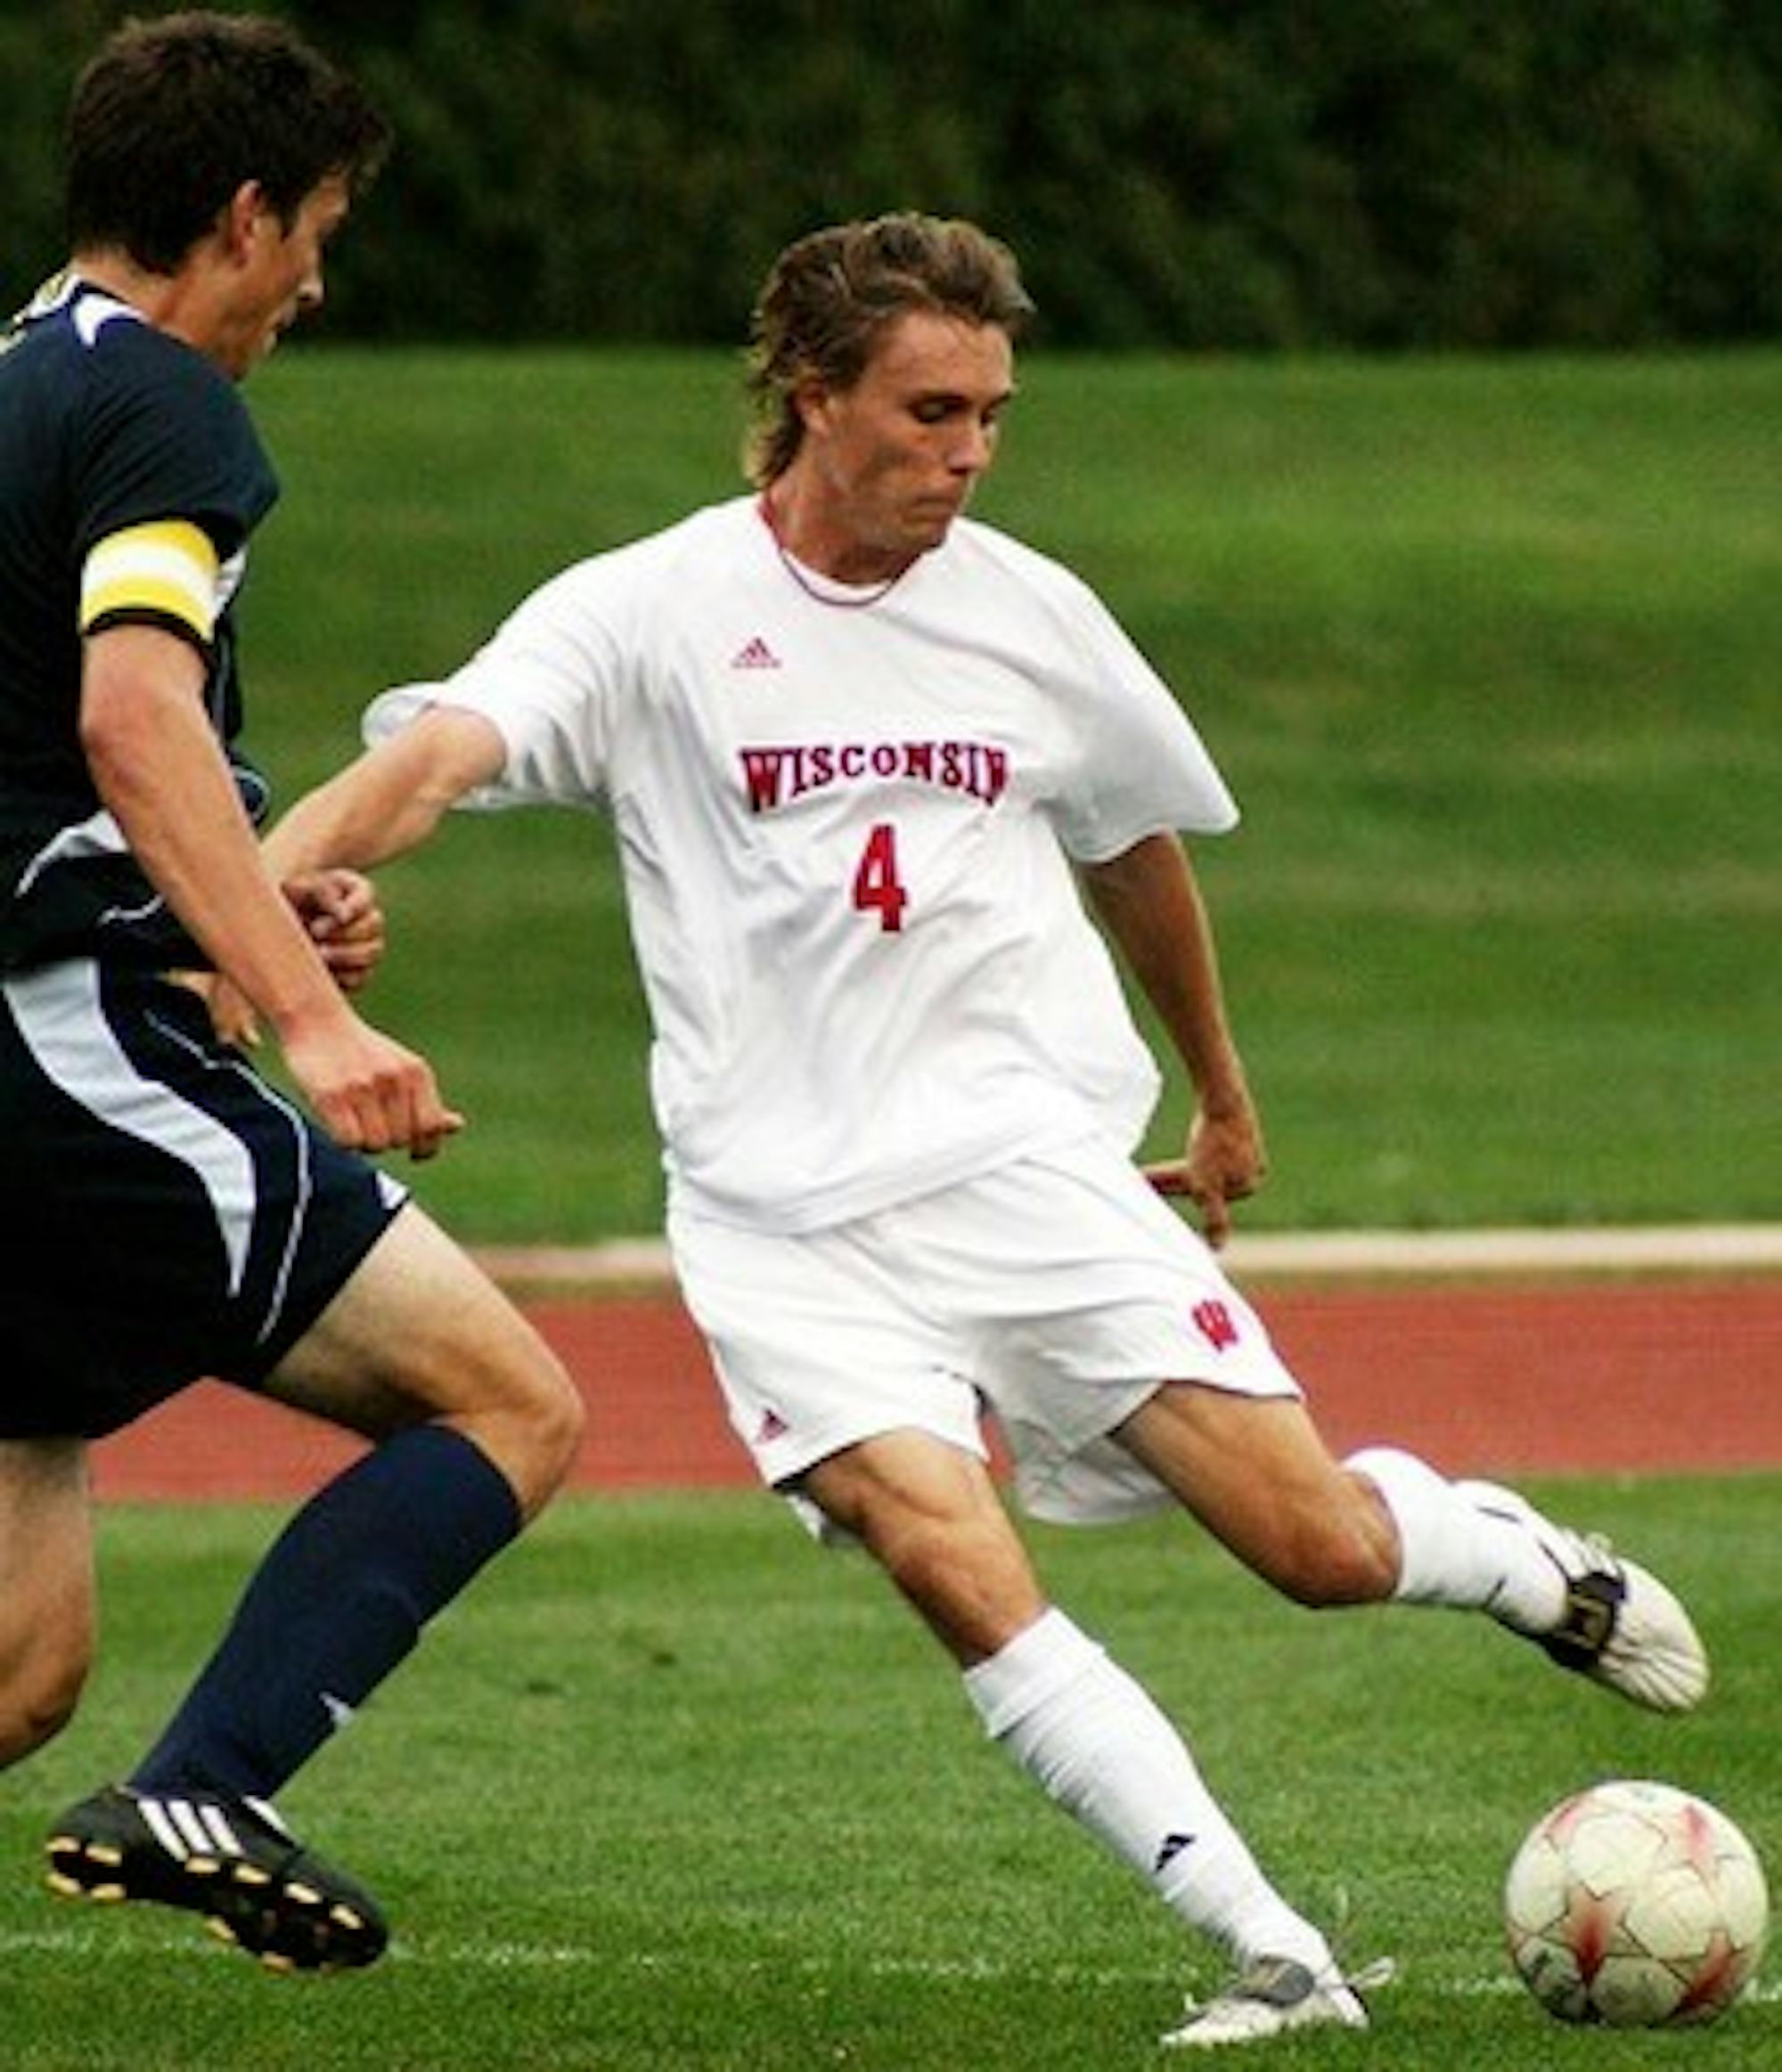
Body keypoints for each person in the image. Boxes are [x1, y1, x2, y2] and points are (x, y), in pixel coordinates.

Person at [258, 213, 1707, 2044]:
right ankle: (1275, 1950)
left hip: (1022, 1163)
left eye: (992, 414)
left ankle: (1503, 1553)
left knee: (1316, 1549)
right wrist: (253, 892)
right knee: (951, 1555)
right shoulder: (646, 610)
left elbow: (1131, 848)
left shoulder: (1028, 614)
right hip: (782, 1223)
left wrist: (1222, 1089)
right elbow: (433, 764)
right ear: (812, 399)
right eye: (931, 409)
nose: (966, 451)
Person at [0, 13, 584, 1973]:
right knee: (505, 1399)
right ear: (241, 215)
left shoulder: (12, 380)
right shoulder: (164, 403)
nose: (318, 281)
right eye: (316, 229)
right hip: (58, 1060)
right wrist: (303, 1010)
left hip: (33, 1031)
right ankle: (210, 1783)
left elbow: (56, 767)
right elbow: (126, 705)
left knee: (16, 1661)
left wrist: (226, 898)